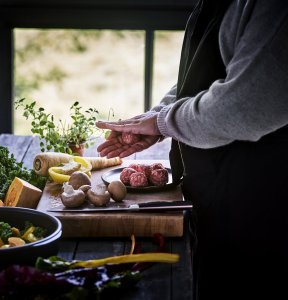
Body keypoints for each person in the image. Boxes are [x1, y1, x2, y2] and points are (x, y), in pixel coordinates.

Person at [96, 1, 288, 299]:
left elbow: (242, 108)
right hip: (213, 201)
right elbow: (207, 76)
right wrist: (158, 117)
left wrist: (162, 122)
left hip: (263, 211)